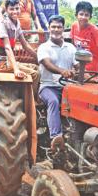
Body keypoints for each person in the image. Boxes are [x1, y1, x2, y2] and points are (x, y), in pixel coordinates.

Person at [37, 15, 77, 151]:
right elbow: (47, 64)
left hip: (67, 87)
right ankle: (56, 137)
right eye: (53, 26)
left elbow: (78, 66)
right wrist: (62, 71)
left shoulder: (71, 48)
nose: (56, 29)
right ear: (49, 28)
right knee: (53, 101)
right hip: (48, 87)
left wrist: (85, 74)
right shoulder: (44, 47)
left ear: (63, 29)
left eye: (59, 27)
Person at [0, 0, 39, 97]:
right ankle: (32, 102)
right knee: (35, 74)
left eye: (17, 8)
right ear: (6, 10)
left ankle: (31, 96)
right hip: (0, 63)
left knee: (37, 68)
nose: (15, 11)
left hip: (9, 62)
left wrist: (40, 59)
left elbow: (25, 45)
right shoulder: (3, 24)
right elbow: (7, 47)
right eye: (11, 9)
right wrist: (16, 69)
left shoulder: (17, 24)